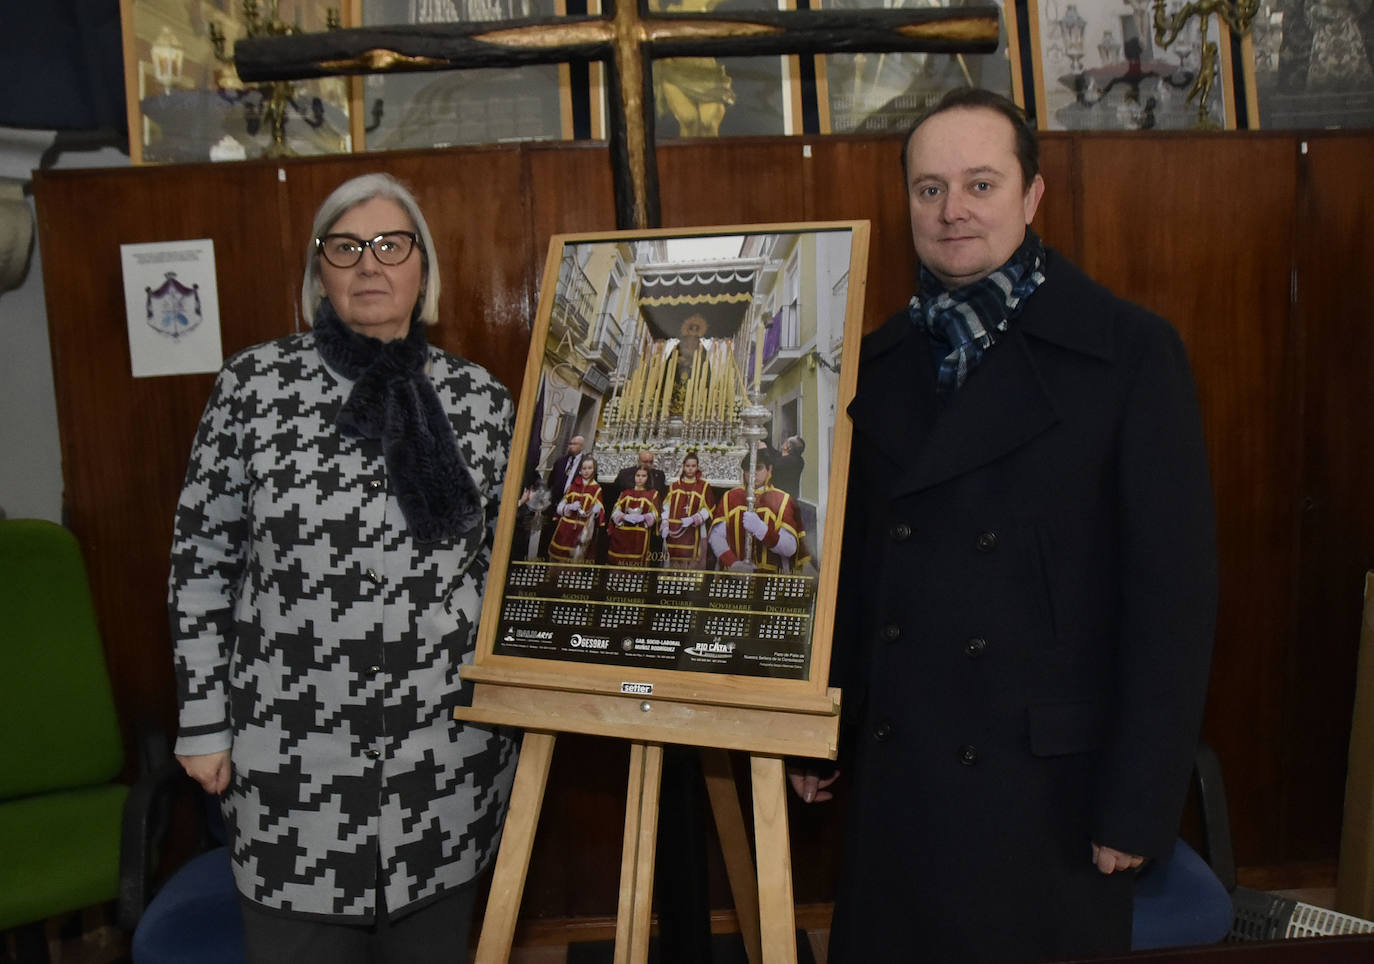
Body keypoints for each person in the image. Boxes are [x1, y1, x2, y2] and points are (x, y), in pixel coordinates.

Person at [794, 88, 1218, 961]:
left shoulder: (1130, 353)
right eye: (930, 189)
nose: (953, 210)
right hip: (902, 780)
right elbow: (857, 568)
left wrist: (1138, 805)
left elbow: (1171, 603)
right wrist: (819, 727)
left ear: (1032, 196)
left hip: (1049, 795)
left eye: (980, 184)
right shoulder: (874, 363)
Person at [168, 172, 519, 962]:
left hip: (445, 772)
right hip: (292, 777)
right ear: (317, 271)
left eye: (392, 245)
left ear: (423, 268)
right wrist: (202, 719)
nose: (369, 264)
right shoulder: (253, 389)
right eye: (346, 246)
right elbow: (201, 562)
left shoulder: (481, 403)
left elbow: (508, 573)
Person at [709, 447, 808, 573]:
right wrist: (733, 563)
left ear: (769, 469)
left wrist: (761, 529)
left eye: (758, 468)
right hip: (735, 573)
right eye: (748, 469)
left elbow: (789, 548)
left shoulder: (783, 500)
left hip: (769, 576)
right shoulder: (730, 497)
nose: (752, 473)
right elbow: (716, 537)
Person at [660, 451, 715, 568]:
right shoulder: (674, 486)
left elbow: (708, 508)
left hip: (693, 530)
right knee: (673, 562)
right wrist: (665, 523)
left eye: (693, 466)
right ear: (683, 467)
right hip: (674, 529)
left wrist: (694, 519)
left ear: (698, 467)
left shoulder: (704, 486)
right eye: (688, 466)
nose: (690, 469)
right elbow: (666, 506)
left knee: (692, 563)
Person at [549, 456, 604, 562]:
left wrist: (595, 510)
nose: (586, 471)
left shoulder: (597, 488)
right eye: (584, 468)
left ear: (594, 470)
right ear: (580, 470)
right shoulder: (572, 487)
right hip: (565, 529)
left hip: (583, 530)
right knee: (559, 560)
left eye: (589, 468)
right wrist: (569, 507)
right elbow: (560, 507)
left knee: (576, 562)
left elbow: (600, 511)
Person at [607, 465, 661, 566]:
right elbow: (615, 512)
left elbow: (655, 514)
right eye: (638, 475)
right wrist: (624, 517)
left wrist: (643, 517)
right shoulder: (625, 493)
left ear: (648, 478)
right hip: (622, 534)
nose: (640, 478)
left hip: (640, 535)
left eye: (643, 476)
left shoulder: (652, 494)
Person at [772, 434, 805, 499]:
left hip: (783, 497)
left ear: (788, 447)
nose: (783, 442)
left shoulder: (792, 460)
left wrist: (764, 449)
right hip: (787, 495)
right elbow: (775, 454)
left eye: (786, 442)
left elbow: (774, 462)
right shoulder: (798, 459)